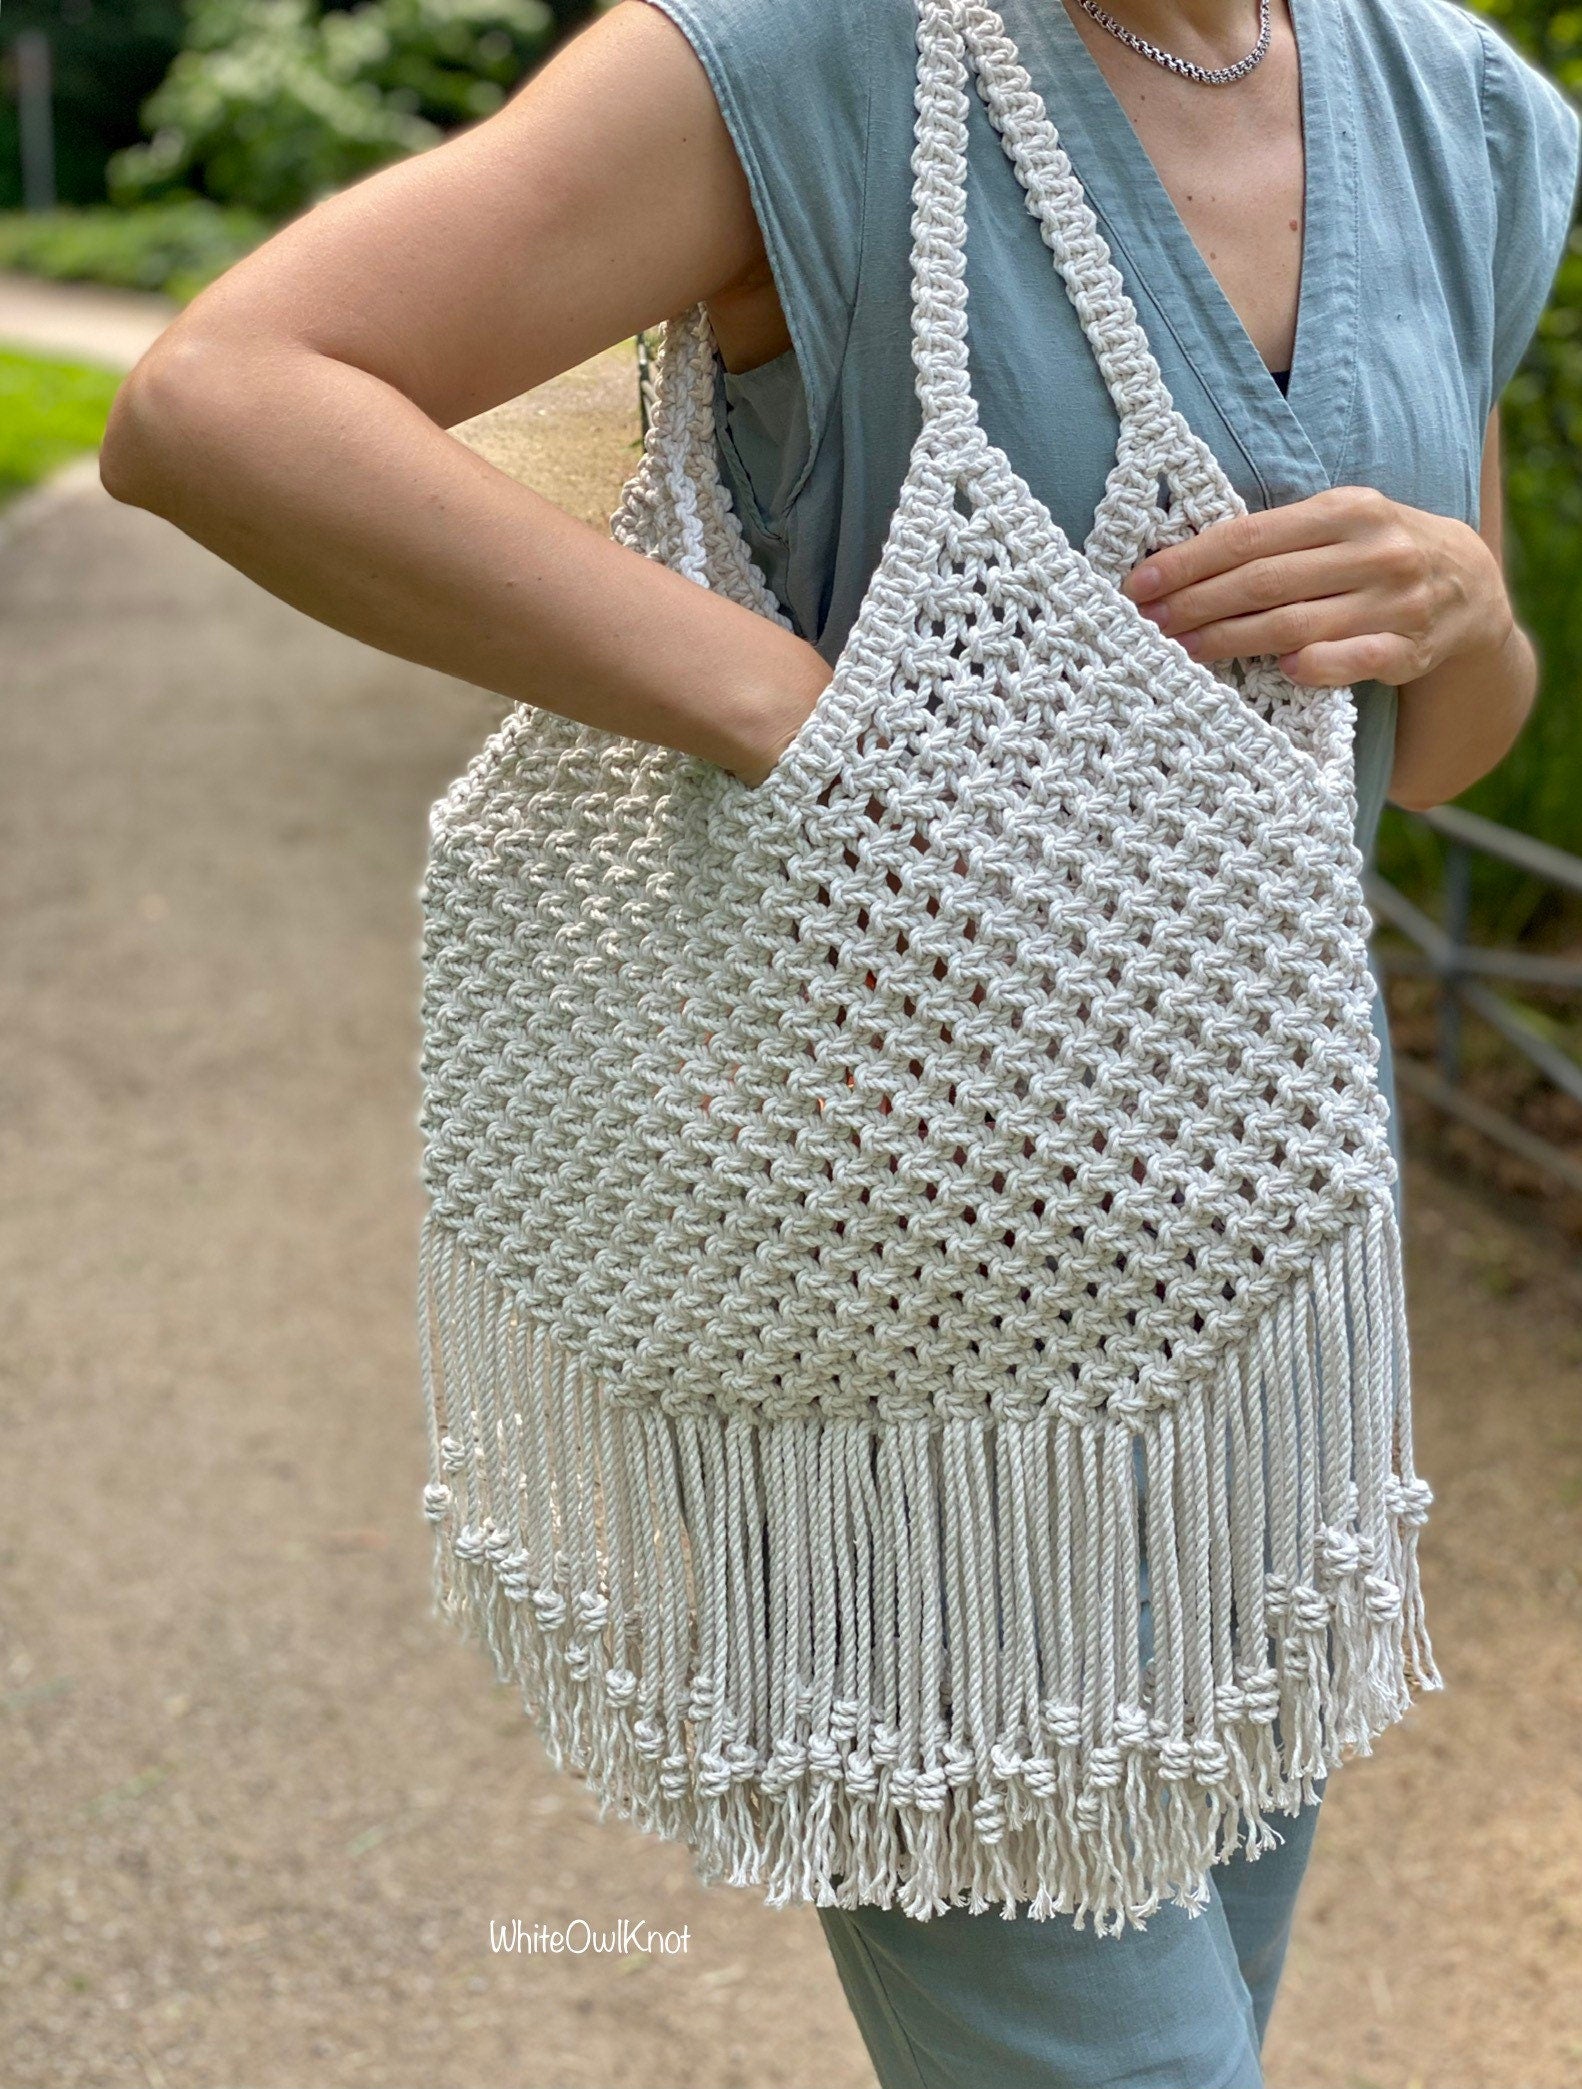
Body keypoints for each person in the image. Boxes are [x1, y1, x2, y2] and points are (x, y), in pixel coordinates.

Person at [98, 1, 1579, 2082]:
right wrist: (795, 715)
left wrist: (1466, 613)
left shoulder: (1456, 111)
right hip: (916, 1367)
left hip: (1264, 1333)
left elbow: (1434, 758)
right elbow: (219, 399)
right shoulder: (809, 58)